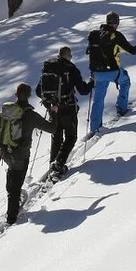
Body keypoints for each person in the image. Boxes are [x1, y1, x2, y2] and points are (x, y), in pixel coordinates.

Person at [0, 83, 57, 225]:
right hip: (21, 155)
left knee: (12, 179)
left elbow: (0, 130)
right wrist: (53, 112)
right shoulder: (30, 115)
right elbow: (52, 129)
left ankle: (13, 201)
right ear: (29, 96)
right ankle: (11, 218)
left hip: (6, 153)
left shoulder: (8, 110)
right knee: (15, 187)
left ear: (16, 95)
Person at [86, 11, 136, 134]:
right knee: (125, 80)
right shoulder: (116, 35)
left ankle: (95, 127)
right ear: (117, 22)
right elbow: (133, 51)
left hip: (97, 73)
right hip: (112, 71)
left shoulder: (95, 35)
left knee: (98, 99)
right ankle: (121, 108)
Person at [37, 46, 93, 179]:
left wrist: (52, 102)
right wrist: (92, 82)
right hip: (68, 108)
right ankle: (58, 164)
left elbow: (38, 91)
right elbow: (83, 90)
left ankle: (53, 165)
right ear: (68, 55)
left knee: (56, 137)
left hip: (53, 110)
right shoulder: (71, 68)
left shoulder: (48, 67)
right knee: (71, 137)